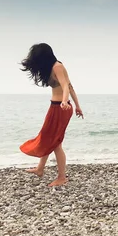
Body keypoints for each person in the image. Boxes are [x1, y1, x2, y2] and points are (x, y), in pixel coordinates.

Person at [19, 43, 84, 187]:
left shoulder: (57, 67)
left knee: (56, 143)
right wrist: (78, 106)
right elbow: (70, 85)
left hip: (61, 108)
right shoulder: (52, 67)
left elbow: (66, 86)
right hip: (56, 106)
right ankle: (40, 169)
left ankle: (62, 177)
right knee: (47, 138)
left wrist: (65, 100)